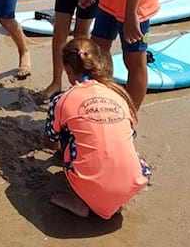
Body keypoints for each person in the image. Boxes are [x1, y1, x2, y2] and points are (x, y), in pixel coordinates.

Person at [44, 38, 150, 218]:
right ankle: (114, 198)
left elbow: (50, 143)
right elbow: (131, 134)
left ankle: (81, 201)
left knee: (68, 135)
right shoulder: (119, 93)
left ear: (68, 70)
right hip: (133, 180)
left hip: (88, 183)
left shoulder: (62, 100)